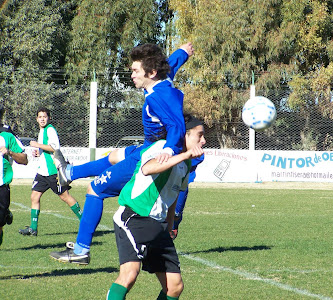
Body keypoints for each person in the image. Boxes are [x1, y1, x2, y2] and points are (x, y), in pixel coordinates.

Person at [50, 43, 192, 264]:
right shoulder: (163, 80)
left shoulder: (157, 98)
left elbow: (177, 127)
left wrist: (168, 150)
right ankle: (69, 173)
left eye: (135, 71)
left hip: (149, 154)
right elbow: (171, 64)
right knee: (115, 154)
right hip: (146, 147)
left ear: (151, 73)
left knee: (95, 188)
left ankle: (81, 250)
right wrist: (182, 52)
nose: (132, 74)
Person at [106, 115, 206, 300]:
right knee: (129, 274)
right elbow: (148, 168)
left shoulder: (186, 163)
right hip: (134, 216)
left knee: (174, 287)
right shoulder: (162, 147)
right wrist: (185, 155)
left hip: (158, 226)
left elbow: (174, 195)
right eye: (199, 136)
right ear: (184, 135)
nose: (203, 141)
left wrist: (169, 225)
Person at [18, 107, 82, 236]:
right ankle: (33, 229)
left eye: (44, 116)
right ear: (37, 119)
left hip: (52, 172)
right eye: (40, 117)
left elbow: (55, 148)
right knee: (34, 196)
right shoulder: (42, 131)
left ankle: (85, 221)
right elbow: (45, 149)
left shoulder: (50, 130)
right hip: (42, 172)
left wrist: (37, 145)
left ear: (49, 118)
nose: (42, 119)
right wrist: (38, 152)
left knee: (65, 197)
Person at [0, 131, 28, 246]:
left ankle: (5, 213)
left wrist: (9, 152)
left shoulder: (7, 137)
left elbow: (24, 159)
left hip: (2, 187)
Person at [170, 154, 204, 239]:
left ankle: (173, 228)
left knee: (176, 214)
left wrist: (181, 158)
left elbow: (199, 157)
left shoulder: (194, 149)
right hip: (166, 181)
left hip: (181, 184)